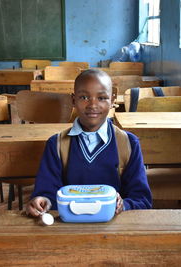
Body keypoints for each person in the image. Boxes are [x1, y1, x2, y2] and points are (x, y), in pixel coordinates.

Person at [26, 69, 152, 217]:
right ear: (73, 100)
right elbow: (46, 192)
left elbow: (142, 199)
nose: (92, 104)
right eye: (84, 97)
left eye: (102, 98)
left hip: (114, 228)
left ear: (112, 100)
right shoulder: (57, 144)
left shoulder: (128, 143)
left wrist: (124, 205)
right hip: (69, 227)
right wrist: (43, 201)